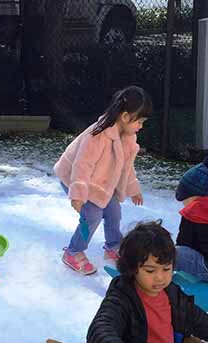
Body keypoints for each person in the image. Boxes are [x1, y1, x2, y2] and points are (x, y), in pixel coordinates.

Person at [54, 86, 152, 275]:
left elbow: (126, 167)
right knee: (92, 215)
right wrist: (78, 194)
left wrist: (133, 188)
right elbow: (82, 166)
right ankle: (73, 252)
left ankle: (114, 245)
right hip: (75, 178)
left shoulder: (128, 137)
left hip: (99, 183)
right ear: (125, 117)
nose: (141, 126)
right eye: (139, 121)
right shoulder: (97, 135)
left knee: (114, 210)